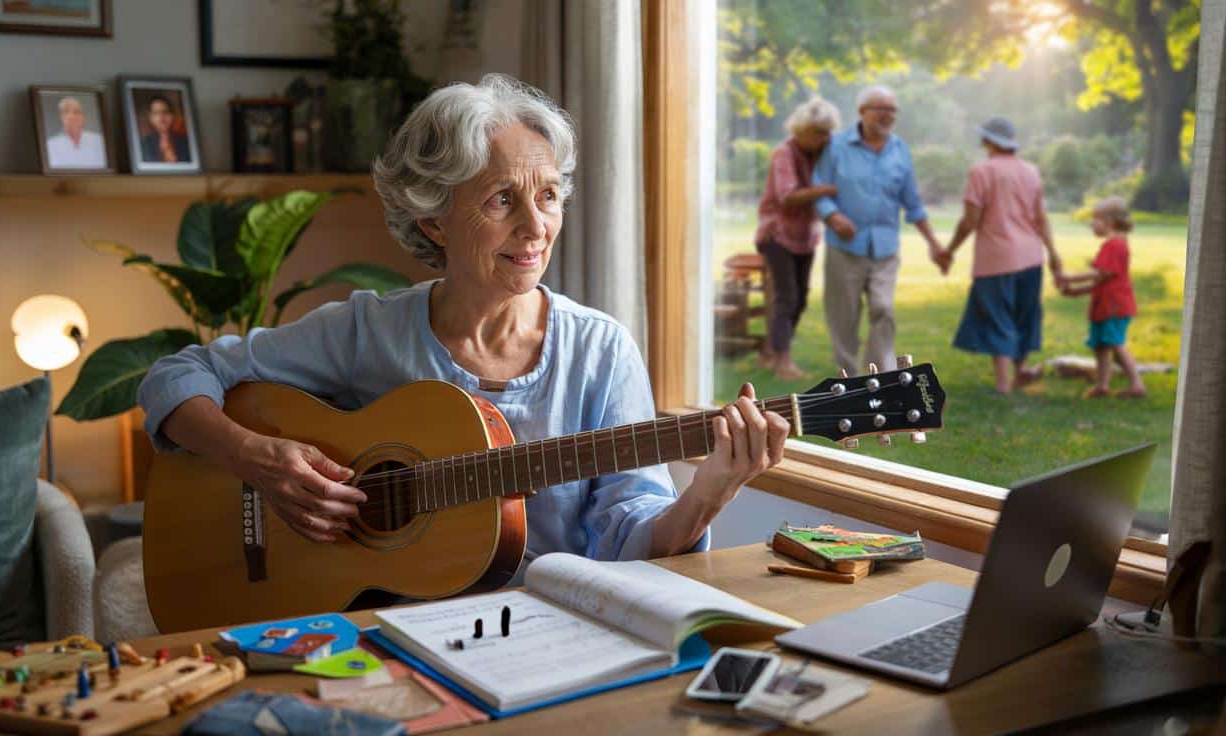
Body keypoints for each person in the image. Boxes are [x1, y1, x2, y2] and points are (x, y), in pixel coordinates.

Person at [137, 74, 790, 580]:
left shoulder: (599, 349)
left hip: (548, 635)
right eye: (502, 199)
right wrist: (256, 458)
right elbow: (176, 373)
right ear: (434, 220)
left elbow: (625, 542)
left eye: (548, 195)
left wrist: (710, 489)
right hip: (386, 623)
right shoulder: (370, 330)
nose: (536, 228)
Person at [811, 85, 943, 376]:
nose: (887, 116)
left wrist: (934, 243)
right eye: (880, 109)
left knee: (883, 310)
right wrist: (833, 217)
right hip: (845, 249)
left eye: (892, 110)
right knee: (843, 319)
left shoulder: (899, 150)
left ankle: (879, 378)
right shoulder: (837, 146)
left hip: (884, 249)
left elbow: (913, 202)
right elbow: (819, 190)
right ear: (862, 112)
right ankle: (848, 380)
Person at [938, 117, 1065, 394]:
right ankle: (1019, 373)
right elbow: (1041, 217)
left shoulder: (981, 171)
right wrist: (1053, 254)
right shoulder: (1031, 171)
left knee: (999, 318)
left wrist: (949, 250)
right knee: (1024, 316)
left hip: (996, 258)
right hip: (1031, 255)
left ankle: (1003, 383)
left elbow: (970, 221)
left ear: (987, 141)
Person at [753, 97, 841, 381]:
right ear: (802, 130)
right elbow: (787, 197)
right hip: (777, 234)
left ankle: (770, 353)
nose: (825, 138)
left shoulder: (820, 155)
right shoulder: (784, 154)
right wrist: (828, 189)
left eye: (828, 132)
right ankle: (783, 362)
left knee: (800, 298)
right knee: (786, 297)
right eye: (819, 132)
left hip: (806, 237)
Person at [1055, 196, 1146, 399]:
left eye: (1096, 219)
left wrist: (1069, 278)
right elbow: (1102, 282)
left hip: (1114, 306)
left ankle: (1136, 384)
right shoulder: (1111, 245)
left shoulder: (1115, 246)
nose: (1091, 224)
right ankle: (1103, 385)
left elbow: (1100, 274)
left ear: (1110, 222)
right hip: (1104, 305)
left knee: (1115, 343)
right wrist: (1075, 291)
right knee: (1101, 345)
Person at [45, 96, 107, 169]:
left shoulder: (99, 140)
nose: (72, 116)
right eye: (66, 112)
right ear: (61, 117)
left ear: (83, 116)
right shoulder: (50, 145)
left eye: (77, 112)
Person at [139, 94, 192, 164]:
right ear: (150, 117)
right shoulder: (143, 145)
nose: (161, 116)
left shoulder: (186, 142)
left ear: (172, 115)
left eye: (165, 111)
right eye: (156, 113)